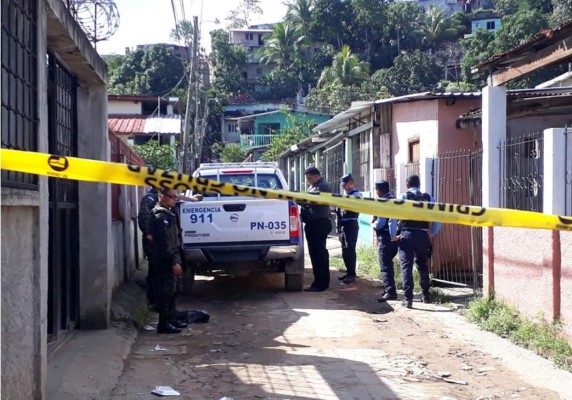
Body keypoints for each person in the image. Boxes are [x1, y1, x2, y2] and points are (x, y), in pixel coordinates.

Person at [138, 186, 202, 311]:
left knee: (167, 279)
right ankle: (155, 303)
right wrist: (148, 234)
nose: (175, 198)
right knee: (157, 275)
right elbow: (144, 218)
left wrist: (192, 199)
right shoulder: (150, 199)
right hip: (155, 243)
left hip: (164, 244)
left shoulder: (166, 200)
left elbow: (175, 196)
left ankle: (166, 311)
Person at [389, 175, 442, 309]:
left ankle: (408, 299)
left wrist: (393, 235)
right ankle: (426, 295)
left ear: (407, 185)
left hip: (406, 234)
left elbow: (393, 216)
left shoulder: (403, 197)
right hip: (423, 235)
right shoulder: (429, 198)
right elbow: (439, 218)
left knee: (406, 265)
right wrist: (432, 233)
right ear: (419, 184)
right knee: (422, 264)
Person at [149, 188, 188, 334]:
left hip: (173, 255)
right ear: (163, 197)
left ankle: (172, 319)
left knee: (174, 290)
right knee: (166, 293)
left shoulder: (169, 213)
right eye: (172, 197)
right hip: (165, 259)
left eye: (176, 197)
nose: (175, 200)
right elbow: (163, 242)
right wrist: (173, 262)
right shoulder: (159, 216)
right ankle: (163, 324)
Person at [300, 166, 332, 292]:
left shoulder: (322, 186)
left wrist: (297, 198)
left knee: (319, 254)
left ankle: (321, 283)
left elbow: (311, 200)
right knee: (315, 253)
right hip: (313, 224)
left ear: (316, 175)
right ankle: (318, 281)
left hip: (319, 224)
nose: (308, 181)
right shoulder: (314, 186)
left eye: (309, 178)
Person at [371, 180, 399, 302]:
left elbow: (380, 222)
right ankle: (389, 288)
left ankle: (390, 291)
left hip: (385, 238)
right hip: (395, 238)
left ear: (378, 190)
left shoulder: (383, 202)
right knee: (388, 264)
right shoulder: (395, 200)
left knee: (385, 265)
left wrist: (372, 225)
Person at [336, 173, 362, 284]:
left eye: (345, 184)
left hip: (351, 225)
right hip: (344, 225)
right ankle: (348, 271)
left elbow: (356, 208)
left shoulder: (356, 195)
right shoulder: (345, 194)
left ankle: (351, 274)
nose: (343, 187)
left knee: (350, 249)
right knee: (345, 250)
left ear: (351, 183)